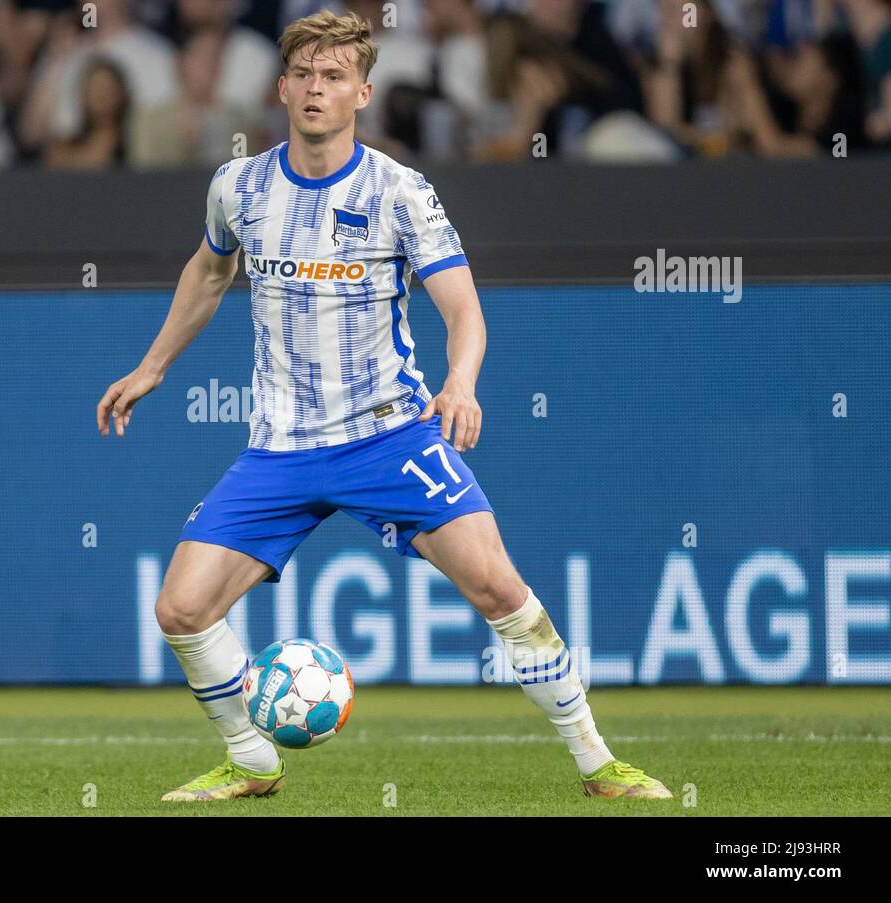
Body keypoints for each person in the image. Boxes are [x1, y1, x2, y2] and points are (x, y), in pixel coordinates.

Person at [96, 9, 673, 803]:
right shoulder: (239, 184)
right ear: (281, 86)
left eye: (334, 77)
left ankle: (597, 761)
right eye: (303, 74)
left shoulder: (400, 191)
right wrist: (153, 364)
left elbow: (464, 312)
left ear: (362, 91)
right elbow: (207, 271)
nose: (315, 89)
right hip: (281, 448)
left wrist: (460, 382)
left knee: (501, 590)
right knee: (181, 608)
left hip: (387, 437)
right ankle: (251, 760)